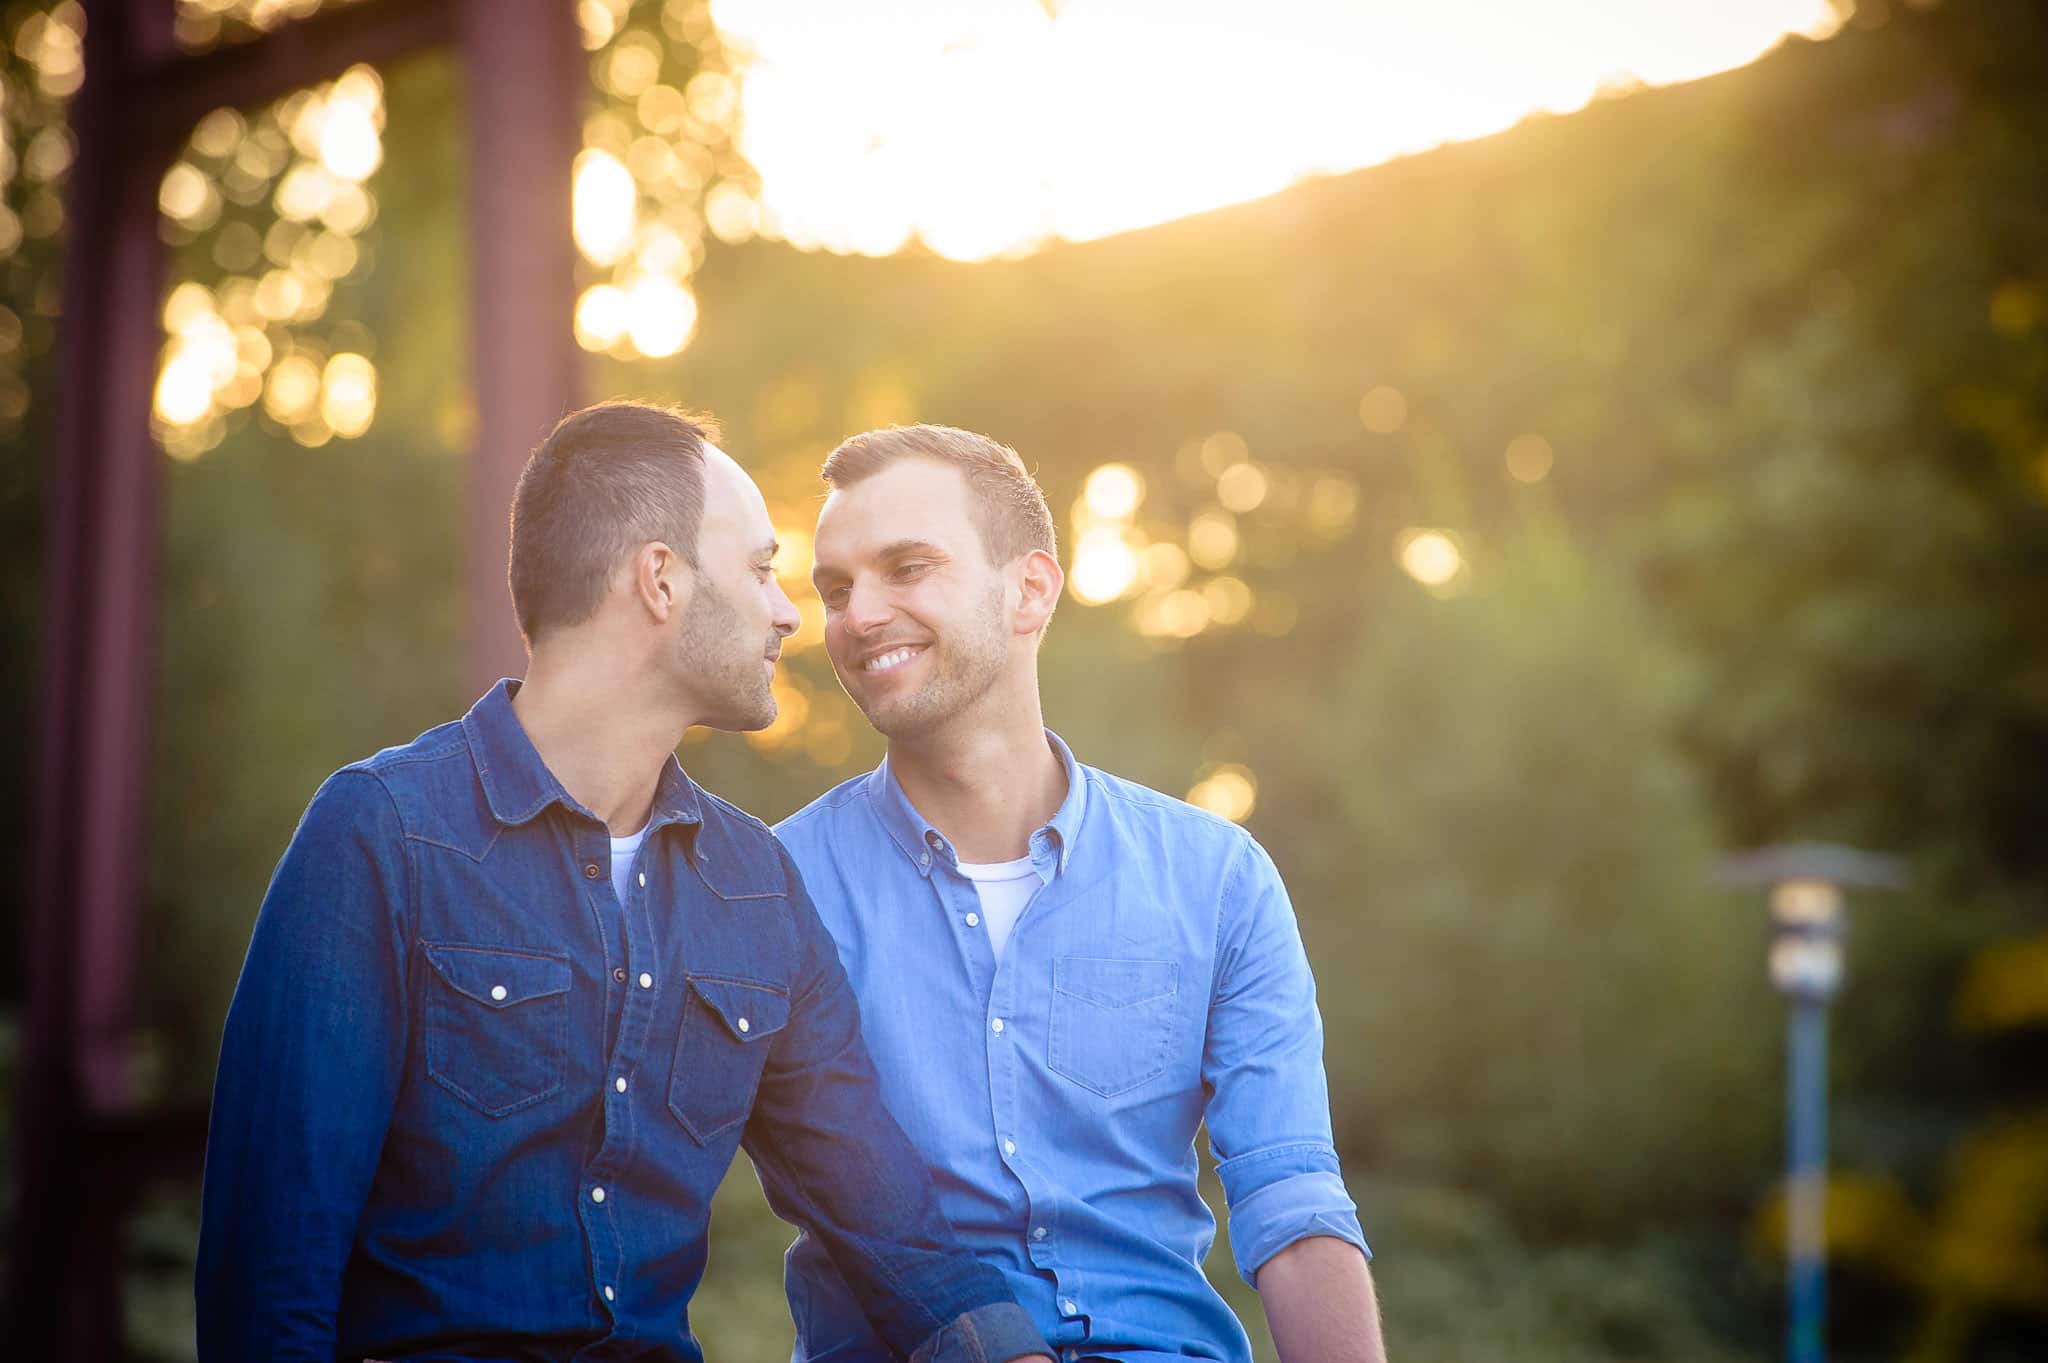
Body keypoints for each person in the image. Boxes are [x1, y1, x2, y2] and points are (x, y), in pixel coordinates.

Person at [196, 403, 1053, 1363]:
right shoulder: (384, 833)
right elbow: (269, 1279)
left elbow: (891, 1226)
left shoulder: (753, 886)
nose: (787, 612)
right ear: (660, 580)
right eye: (764, 570)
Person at [775, 425, 1385, 1363]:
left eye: (906, 567)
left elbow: (1291, 1199)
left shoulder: (1217, 879)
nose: (858, 616)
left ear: (1029, 589)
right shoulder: (779, 887)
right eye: (836, 588)